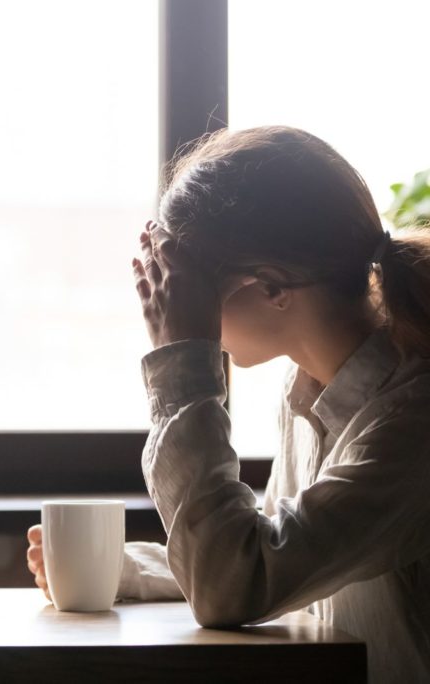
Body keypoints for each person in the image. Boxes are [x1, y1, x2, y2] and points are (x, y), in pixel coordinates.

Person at [27, 126, 430, 683]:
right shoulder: (311, 389)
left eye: (186, 282)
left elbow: (235, 586)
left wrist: (181, 361)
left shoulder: (412, 422)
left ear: (271, 287)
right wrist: (116, 568)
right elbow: (288, 555)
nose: (169, 301)